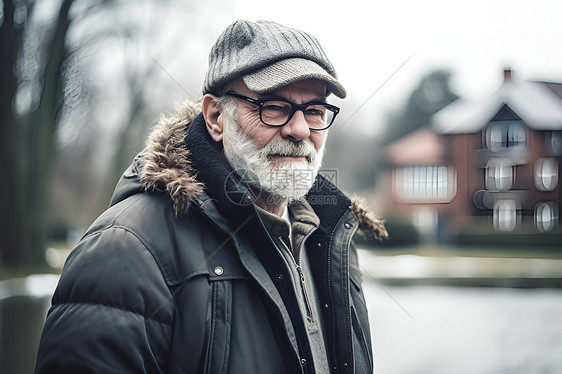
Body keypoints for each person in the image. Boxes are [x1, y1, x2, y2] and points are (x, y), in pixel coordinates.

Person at [34, 19, 387, 374]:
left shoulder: (334, 239)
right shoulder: (127, 248)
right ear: (216, 117)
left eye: (314, 111)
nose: (299, 130)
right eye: (274, 107)